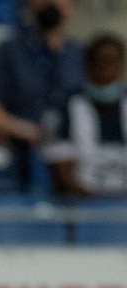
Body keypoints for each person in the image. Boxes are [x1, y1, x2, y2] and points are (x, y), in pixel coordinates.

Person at [0, 0, 83, 184]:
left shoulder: (82, 54)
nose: (51, 3)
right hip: (24, 153)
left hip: (76, 153)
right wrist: (26, 130)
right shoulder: (9, 52)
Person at [46, 34, 127, 197]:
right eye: (101, 63)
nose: (106, 70)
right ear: (88, 66)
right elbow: (60, 165)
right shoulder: (67, 105)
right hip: (84, 201)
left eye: (112, 63)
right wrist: (93, 198)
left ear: (121, 66)